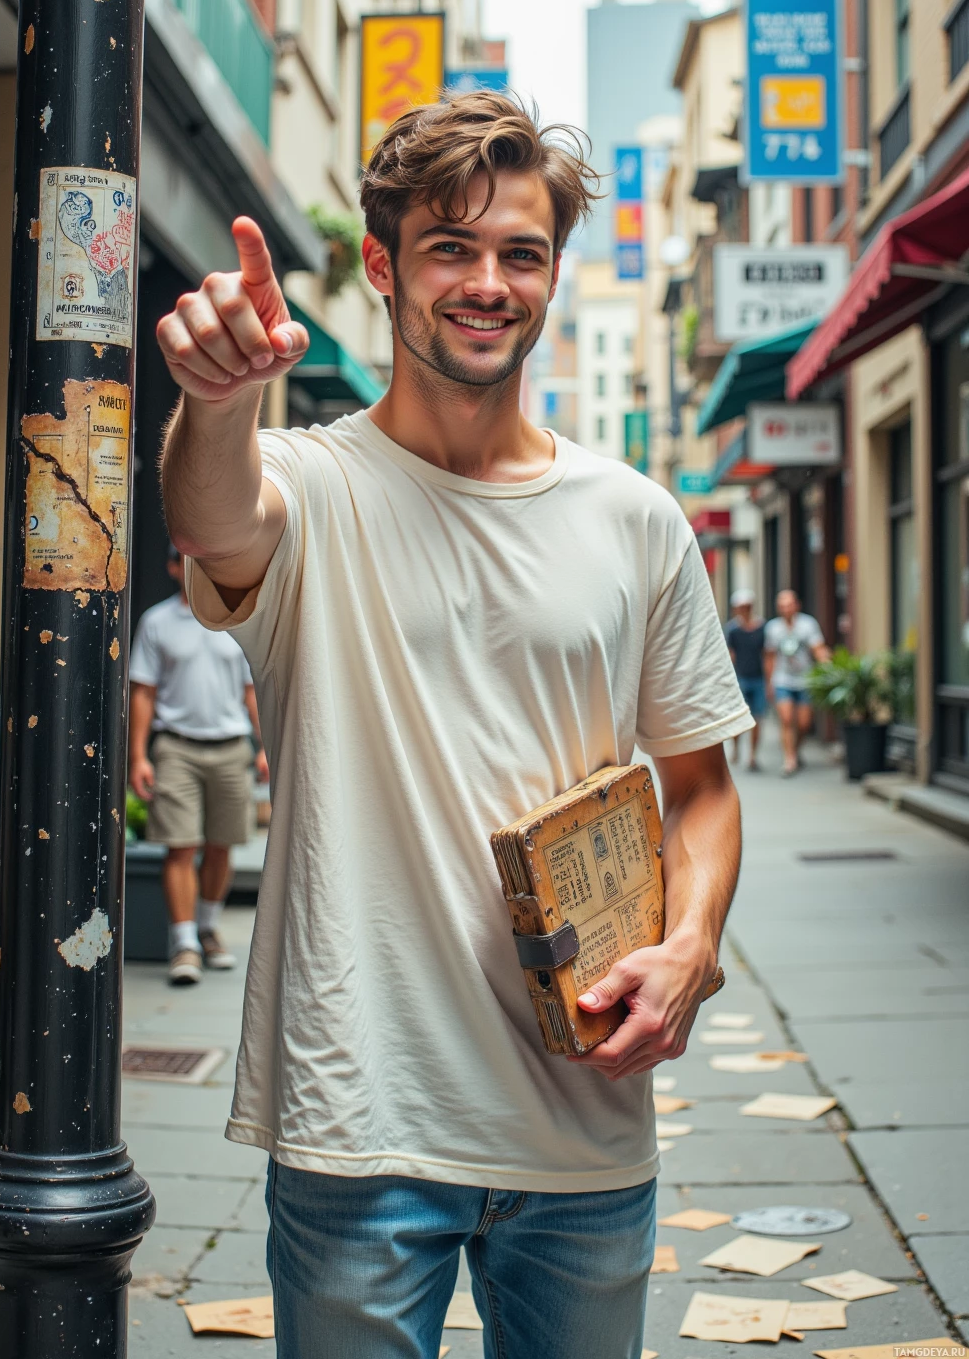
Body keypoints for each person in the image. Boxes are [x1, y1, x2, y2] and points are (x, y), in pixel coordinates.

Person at [156, 91, 753, 1359]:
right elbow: (216, 521)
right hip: (362, 1125)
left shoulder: (637, 517)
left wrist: (693, 945)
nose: (488, 282)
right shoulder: (311, 487)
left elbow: (699, 789)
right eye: (451, 248)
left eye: (520, 253)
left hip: (586, 1128)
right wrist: (217, 401)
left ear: (551, 275)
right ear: (383, 266)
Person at [128, 544, 268, 985]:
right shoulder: (157, 622)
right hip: (176, 748)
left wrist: (265, 746)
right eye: (183, 558)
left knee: (222, 845)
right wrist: (138, 755)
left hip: (230, 747)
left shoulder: (236, 619)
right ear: (172, 566)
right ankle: (184, 943)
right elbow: (143, 692)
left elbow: (252, 691)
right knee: (180, 845)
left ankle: (208, 927)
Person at [763, 588, 831, 777]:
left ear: (797, 605)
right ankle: (790, 759)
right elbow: (770, 656)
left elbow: (818, 648)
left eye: (789, 604)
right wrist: (769, 682)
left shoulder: (808, 624)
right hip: (782, 679)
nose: (786, 609)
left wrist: (827, 664)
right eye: (782, 606)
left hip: (805, 680)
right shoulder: (773, 628)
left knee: (803, 724)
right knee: (786, 720)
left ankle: (796, 748)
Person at [724, 590, 765, 771]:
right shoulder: (732, 629)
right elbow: (730, 654)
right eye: (741, 607)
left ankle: (753, 755)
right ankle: (735, 747)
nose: (744, 610)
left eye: (747, 606)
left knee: (757, 718)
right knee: (739, 717)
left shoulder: (762, 627)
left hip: (758, 678)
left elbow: (767, 653)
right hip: (740, 678)